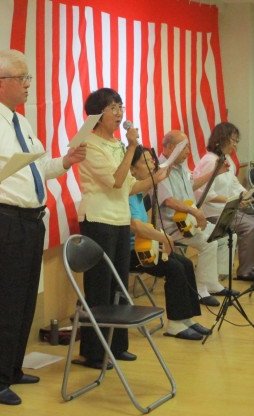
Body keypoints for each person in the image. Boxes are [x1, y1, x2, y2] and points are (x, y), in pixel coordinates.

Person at [0, 49, 86, 406]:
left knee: (24, 299)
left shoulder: (21, 122)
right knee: (1, 302)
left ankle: (12, 367)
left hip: (30, 221)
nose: (29, 84)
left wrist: (66, 161)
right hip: (4, 220)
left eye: (28, 77)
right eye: (22, 78)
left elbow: (37, 168)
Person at [74, 88, 167, 370]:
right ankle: (94, 352)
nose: (119, 113)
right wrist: (131, 147)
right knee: (99, 288)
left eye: (120, 107)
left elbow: (128, 187)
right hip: (98, 220)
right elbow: (115, 181)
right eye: (112, 108)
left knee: (119, 286)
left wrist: (155, 179)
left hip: (119, 219)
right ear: (97, 114)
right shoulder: (89, 144)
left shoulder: (116, 144)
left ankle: (117, 346)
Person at [129, 146, 211, 340]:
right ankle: (175, 324)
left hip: (148, 247)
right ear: (132, 170)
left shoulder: (141, 194)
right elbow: (136, 226)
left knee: (186, 264)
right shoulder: (130, 194)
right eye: (145, 162)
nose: (151, 165)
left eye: (151, 160)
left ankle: (187, 318)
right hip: (133, 253)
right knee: (174, 268)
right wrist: (163, 238)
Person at [157, 130, 237, 307]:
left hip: (189, 221)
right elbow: (168, 200)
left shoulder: (180, 167)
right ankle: (200, 290)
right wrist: (196, 212)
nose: (188, 152)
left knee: (224, 235)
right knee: (208, 242)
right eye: (184, 147)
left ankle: (213, 282)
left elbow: (191, 185)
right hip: (172, 226)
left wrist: (215, 173)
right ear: (169, 147)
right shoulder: (160, 169)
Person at [193, 122, 254, 281]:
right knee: (250, 226)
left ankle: (247, 268)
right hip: (211, 214)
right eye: (233, 140)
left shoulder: (225, 159)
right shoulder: (209, 161)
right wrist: (232, 201)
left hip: (226, 210)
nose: (235, 144)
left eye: (236, 141)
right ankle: (244, 271)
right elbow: (204, 195)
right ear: (221, 139)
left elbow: (235, 185)